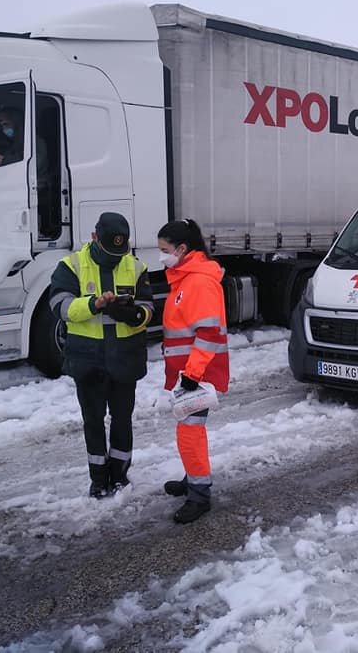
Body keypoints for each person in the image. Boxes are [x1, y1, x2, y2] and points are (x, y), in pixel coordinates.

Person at [49, 212, 154, 498]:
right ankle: (98, 479)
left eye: (118, 252)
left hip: (124, 360)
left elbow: (148, 309)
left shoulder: (135, 266)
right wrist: (94, 305)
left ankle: (120, 475)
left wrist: (134, 314)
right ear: (94, 238)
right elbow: (61, 306)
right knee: (93, 422)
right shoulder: (70, 266)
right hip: (88, 361)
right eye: (110, 251)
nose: (115, 258)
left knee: (122, 420)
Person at [157, 219, 229, 524]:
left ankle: (199, 495)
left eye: (165, 250)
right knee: (187, 430)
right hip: (190, 373)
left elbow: (209, 333)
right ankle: (193, 480)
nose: (161, 256)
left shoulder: (198, 282)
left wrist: (191, 375)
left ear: (182, 249)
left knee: (189, 433)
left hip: (199, 375)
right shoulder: (185, 279)